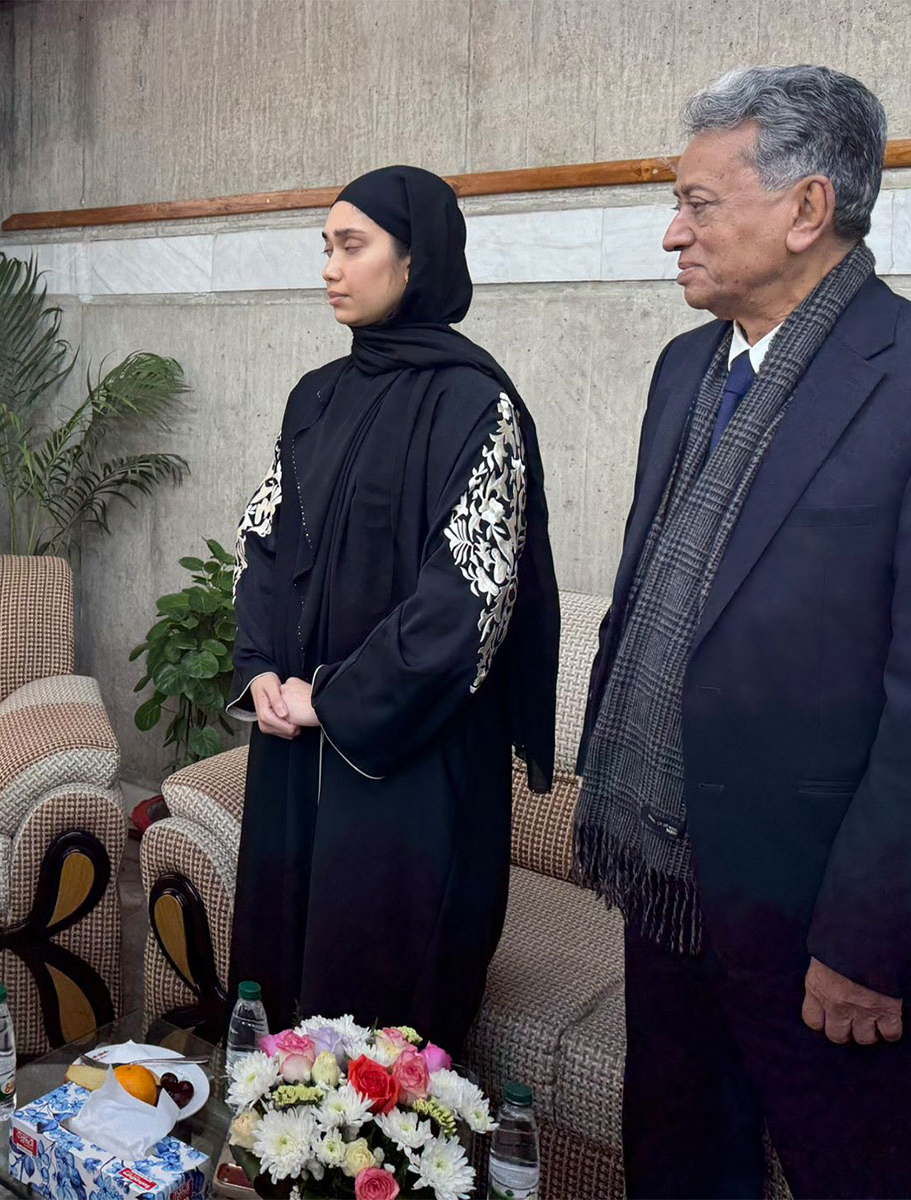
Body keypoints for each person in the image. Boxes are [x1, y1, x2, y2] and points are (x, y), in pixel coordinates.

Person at [575, 65, 909, 1198]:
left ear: (807, 209)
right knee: (673, 1160)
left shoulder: (901, 378)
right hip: (663, 877)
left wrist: (870, 938)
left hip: (814, 921)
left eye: (699, 203)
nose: (672, 233)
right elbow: (647, 604)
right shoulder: (685, 369)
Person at [225, 165, 560, 1054]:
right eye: (326, 248)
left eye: (352, 245)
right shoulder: (315, 397)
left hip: (411, 758)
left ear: (416, 261)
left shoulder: (476, 405)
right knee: (282, 961)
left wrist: (331, 699)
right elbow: (265, 542)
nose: (330, 268)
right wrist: (261, 668)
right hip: (294, 743)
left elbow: (468, 605)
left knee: (383, 994)